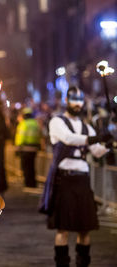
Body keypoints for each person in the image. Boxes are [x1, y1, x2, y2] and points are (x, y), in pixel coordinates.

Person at [39, 87, 112, 267]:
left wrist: (108, 143)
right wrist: (95, 139)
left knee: (85, 229)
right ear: (67, 99)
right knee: (62, 229)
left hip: (82, 180)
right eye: (74, 99)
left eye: (80, 100)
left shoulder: (87, 127)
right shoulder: (56, 122)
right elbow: (69, 138)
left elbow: (96, 152)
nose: (78, 103)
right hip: (64, 180)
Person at [14, 107, 41, 189]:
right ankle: (33, 183)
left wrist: (17, 148)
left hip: (25, 149)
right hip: (34, 149)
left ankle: (27, 183)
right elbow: (39, 135)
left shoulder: (23, 124)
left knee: (26, 167)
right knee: (32, 166)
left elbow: (20, 138)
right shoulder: (35, 123)